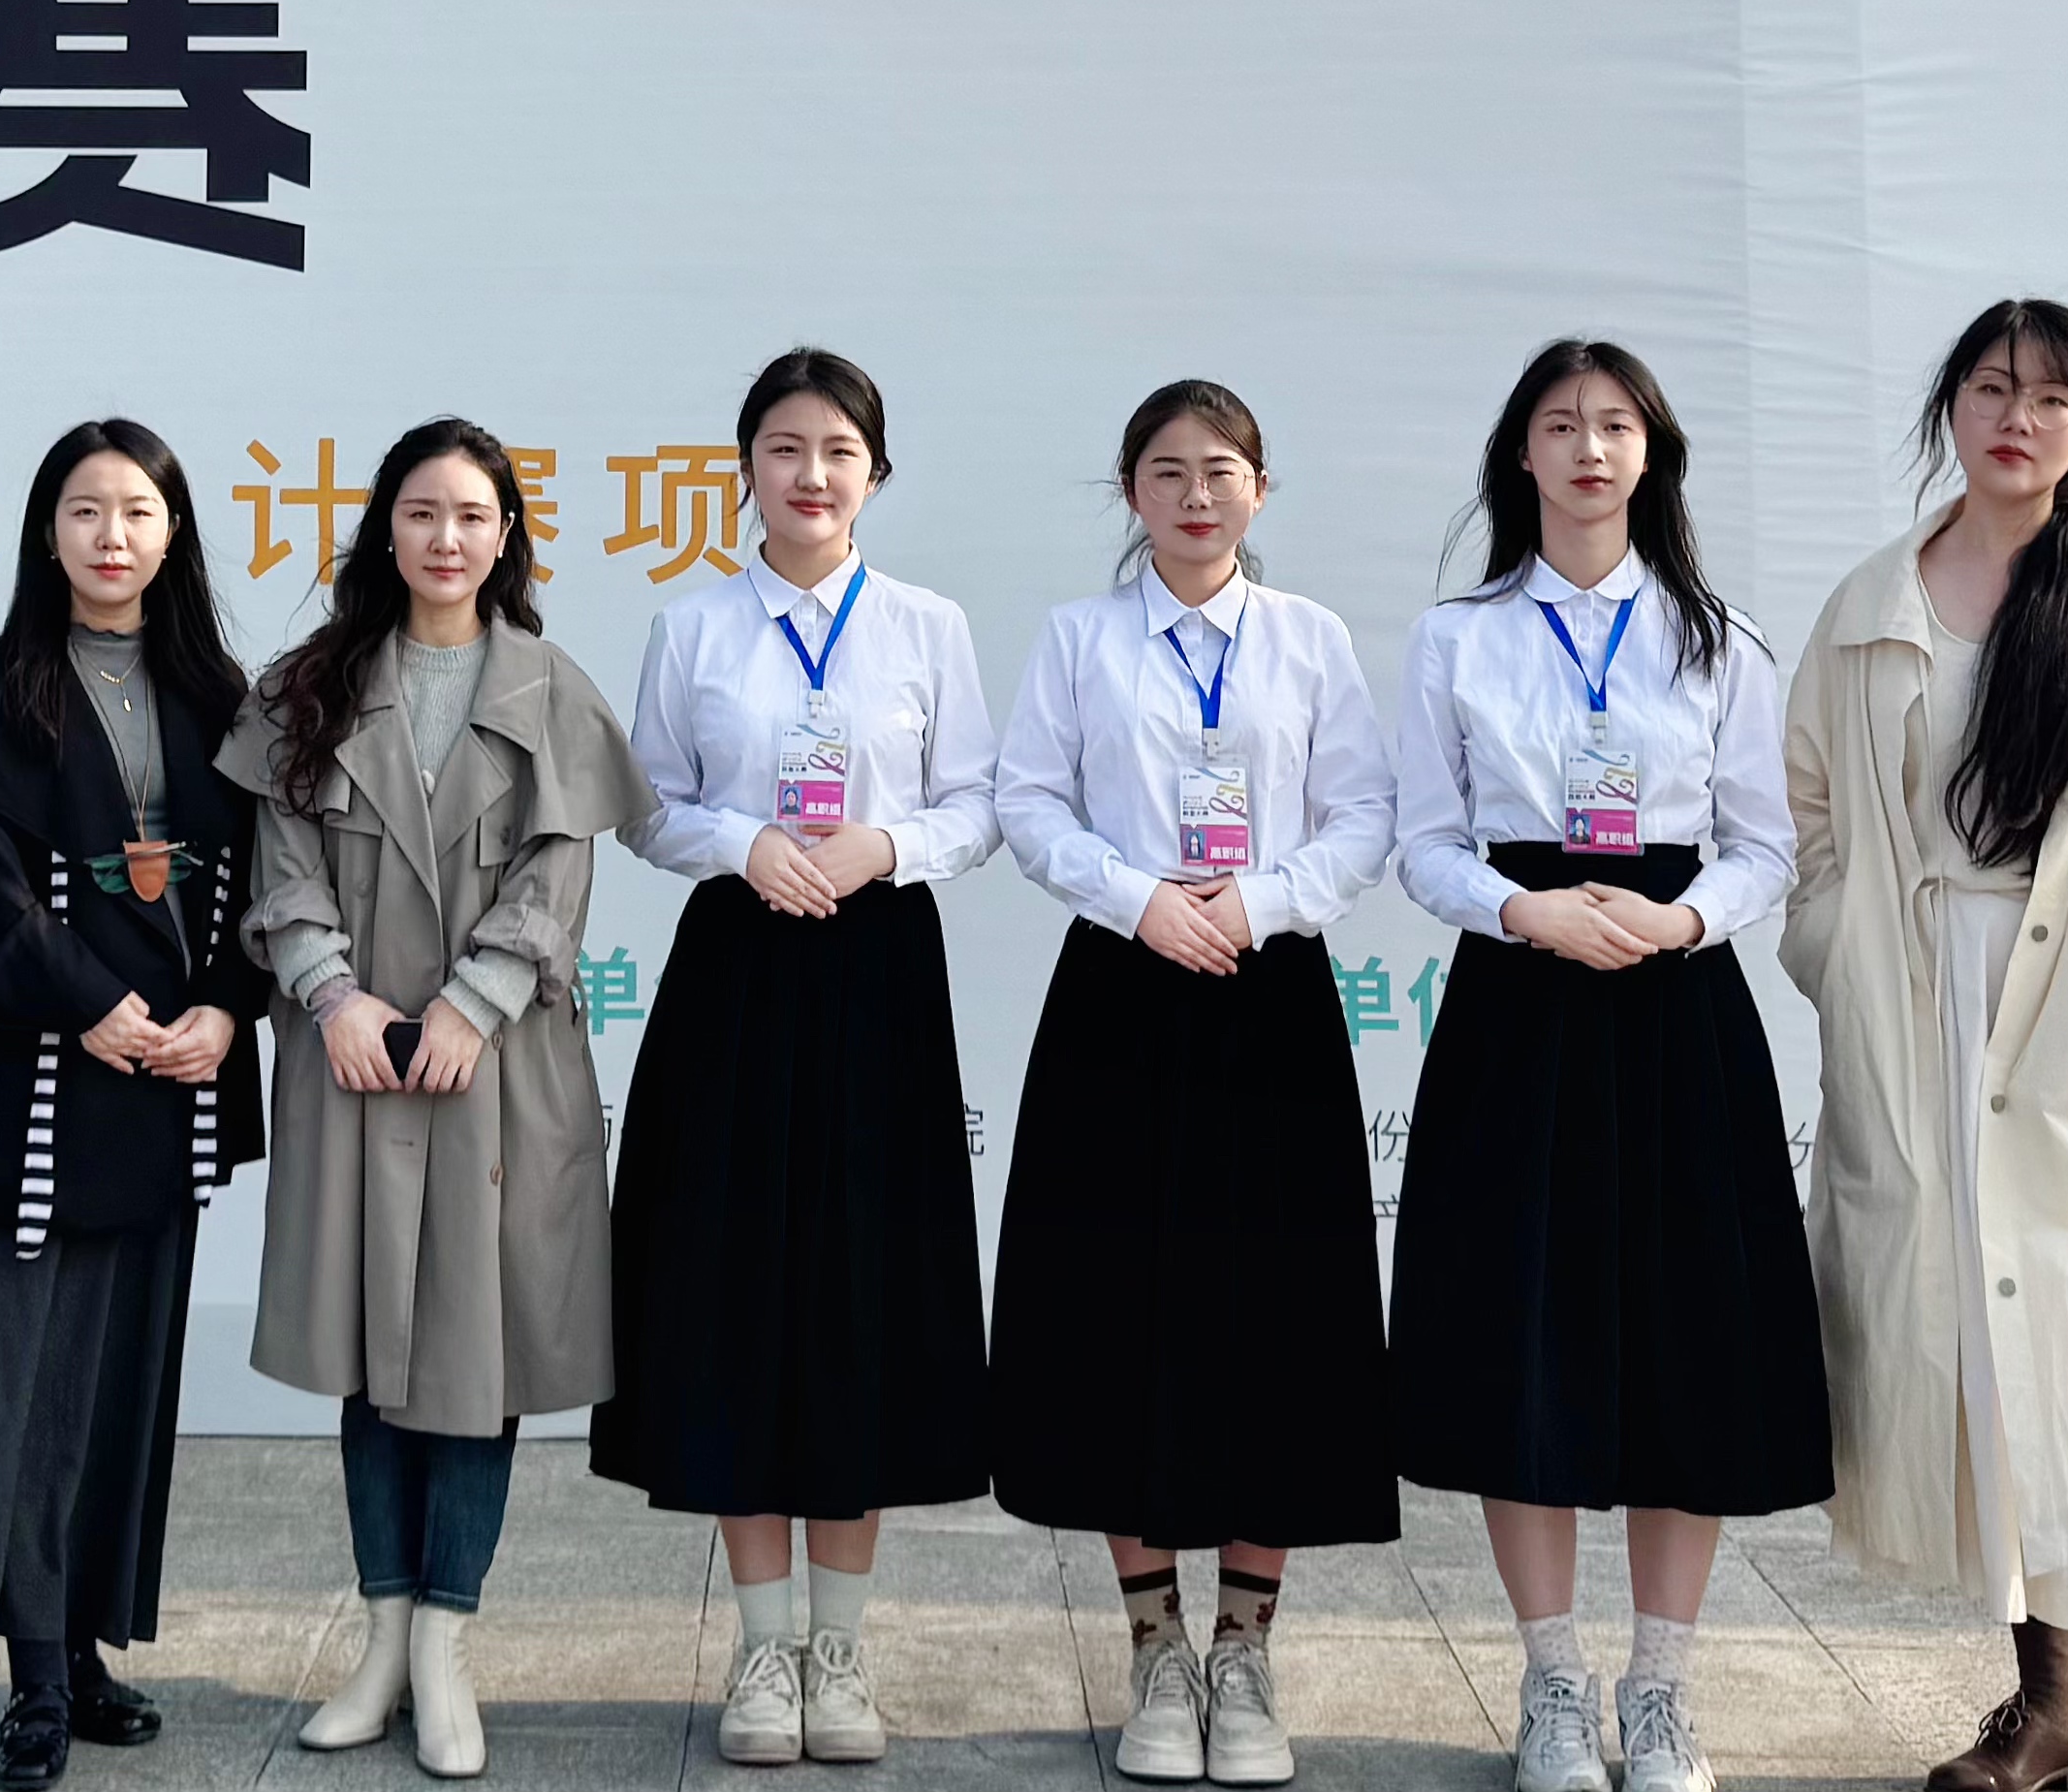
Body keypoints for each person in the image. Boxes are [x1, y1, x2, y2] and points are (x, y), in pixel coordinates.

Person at [1778, 302, 2068, 1792]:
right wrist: (1835, 948)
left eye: (2050, 398)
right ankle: (2050, 1710)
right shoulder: (1873, 602)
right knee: (1984, 1363)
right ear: (1950, 409)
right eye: (1991, 388)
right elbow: (1811, 802)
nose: (2016, 418)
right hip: (1921, 996)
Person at [1386, 339, 1830, 1792]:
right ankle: (1554, 1684)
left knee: (1684, 1340)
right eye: (1561, 424)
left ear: (1652, 452)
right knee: (1527, 1339)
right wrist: (1523, 911)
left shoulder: (1719, 637)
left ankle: (1660, 1689)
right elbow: (1423, 842)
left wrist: (1682, 918)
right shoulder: (1457, 637)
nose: (1589, 448)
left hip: (1674, 1001)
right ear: (1519, 453)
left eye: (1617, 424)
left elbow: (1766, 842)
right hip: (1519, 1003)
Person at [591, 345, 1002, 1769]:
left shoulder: (927, 625)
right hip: (740, 970)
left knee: (858, 1296)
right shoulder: (694, 623)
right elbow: (647, 806)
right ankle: (761, 1647)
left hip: (879, 971)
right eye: (784, 447)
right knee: (734, 1294)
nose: (810, 473)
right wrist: (741, 841)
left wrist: (885, 843)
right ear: (746, 468)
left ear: (874, 472)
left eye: (837, 450)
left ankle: (842, 1646)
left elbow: (978, 805)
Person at [985, 380, 1399, 1788]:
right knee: (1120, 1309)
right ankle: (1155, 1643)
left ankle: (1246, 1647)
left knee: (1274, 1317)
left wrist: (1261, 902)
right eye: (1167, 472)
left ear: (1259, 489)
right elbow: (1027, 801)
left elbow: (1364, 813)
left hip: (1268, 996)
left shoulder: (1308, 639)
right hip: (1121, 988)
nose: (1196, 495)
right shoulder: (1080, 638)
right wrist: (1138, 898)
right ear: (1132, 495)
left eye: (1221, 470)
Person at [237, 419, 650, 1780]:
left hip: (497, 1067)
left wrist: (475, 1001)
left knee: (477, 1358)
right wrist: (331, 994)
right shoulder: (307, 687)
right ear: (386, 529)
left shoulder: (548, 687)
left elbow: (557, 872)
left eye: (473, 515)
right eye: (421, 512)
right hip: (355, 1061)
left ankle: (444, 1646)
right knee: (370, 1348)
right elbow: (279, 863)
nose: (446, 538)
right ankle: (380, 1637)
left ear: (506, 535)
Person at [0, 421, 274, 1791]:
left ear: (174, 535)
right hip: (36, 1085)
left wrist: (226, 1007)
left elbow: (267, 880)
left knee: (119, 1388)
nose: (113, 536)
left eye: (138, 512)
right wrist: (89, 1005)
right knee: (15, 1387)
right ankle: (34, 1672)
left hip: (165, 1081)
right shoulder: (0, 685)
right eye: (84, 510)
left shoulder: (218, 693)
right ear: (46, 533)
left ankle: (90, 1643)